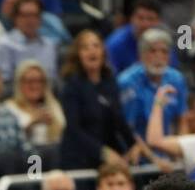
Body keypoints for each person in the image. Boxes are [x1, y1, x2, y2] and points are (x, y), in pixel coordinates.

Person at [59, 29, 140, 170]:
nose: (92, 51)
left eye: (96, 46)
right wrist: (102, 152)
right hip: (79, 157)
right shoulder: (72, 85)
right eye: (85, 47)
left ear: (103, 52)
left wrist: (133, 145)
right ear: (78, 55)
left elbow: (118, 118)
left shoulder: (110, 81)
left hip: (109, 153)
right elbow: (74, 128)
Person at [118, 27, 186, 142]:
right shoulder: (127, 82)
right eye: (152, 51)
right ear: (141, 55)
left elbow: (182, 120)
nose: (159, 56)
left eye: (164, 51)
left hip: (168, 148)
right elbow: (127, 129)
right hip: (138, 151)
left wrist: (180, 149)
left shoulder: (177, 79)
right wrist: (152, 157)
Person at [105, 0, 177, 75]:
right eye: (140, 18)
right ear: (132, 19)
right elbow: (110, 79)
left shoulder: (164, 40)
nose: (145, 24)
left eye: (150, 19)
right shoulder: (115, 44)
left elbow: (172, 72)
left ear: (159, 21)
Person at [0, 0, 55, 85]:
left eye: (34, 15)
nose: (30, 20)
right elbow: (3, 82)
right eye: (25, 15)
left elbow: (52, 79)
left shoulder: (49, 45)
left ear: (40, 18)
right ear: (15, 18)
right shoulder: (3, 44)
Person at [5, 59, 64, 147]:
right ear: (20, 83)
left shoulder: (53, 105)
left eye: (40, 81)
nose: (35, 86)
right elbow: (7, 142)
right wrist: (32, 123)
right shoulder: (9, 108)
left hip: (53, 155)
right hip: (24, 158)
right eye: (30, 81)